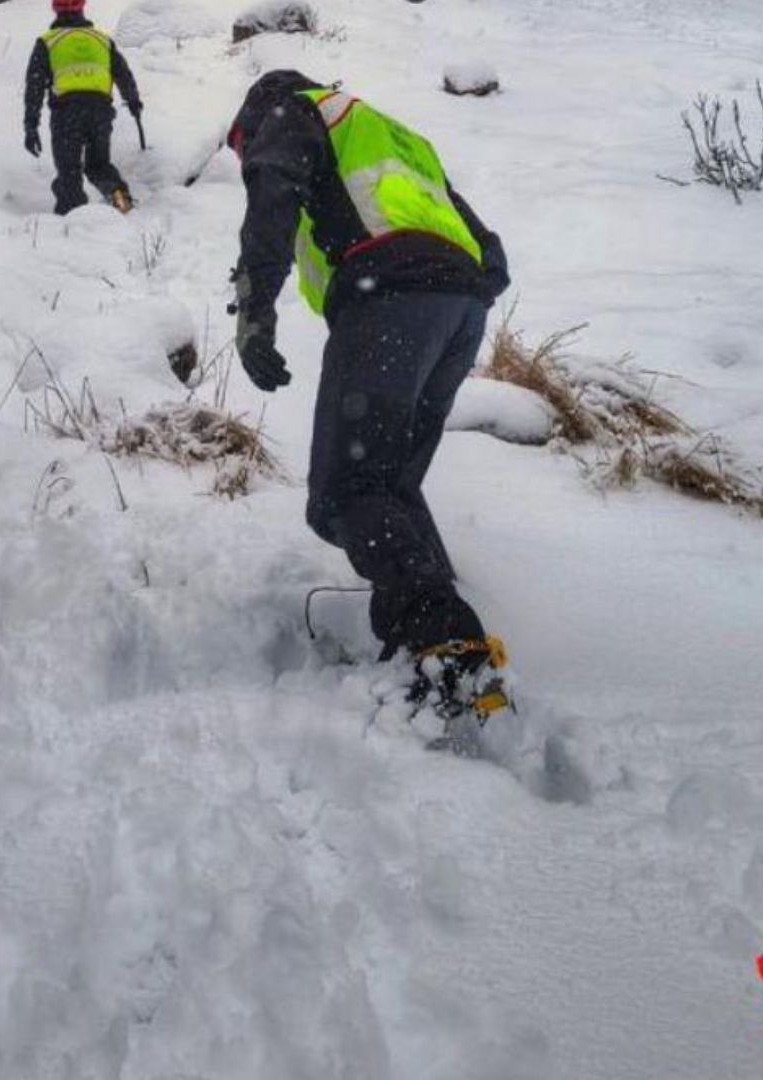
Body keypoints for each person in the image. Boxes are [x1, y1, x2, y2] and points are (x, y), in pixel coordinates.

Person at [225, 70, 514, 751]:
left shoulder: (296, 112)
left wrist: (255, 312)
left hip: (390, 295)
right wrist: (447, 297)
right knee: (387, 486)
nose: (248, 153)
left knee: (348, 490)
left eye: (244, 141)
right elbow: (490, 254)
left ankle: (447, 645)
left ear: (260, 110)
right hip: (459, 310)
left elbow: (272, 195)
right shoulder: (394, 133)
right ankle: (450, 638)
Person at [23, 0, 143, 215]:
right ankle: (122, 203)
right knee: (99, 166)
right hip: (100, 112)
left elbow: (34, 87)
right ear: (82, 8)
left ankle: (74, 227)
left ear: (55, 9)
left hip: (66, 113)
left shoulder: (47, 42)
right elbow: (123, 75)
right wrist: (133, 102)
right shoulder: (102, 40)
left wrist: (31, 125)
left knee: (69, 172)